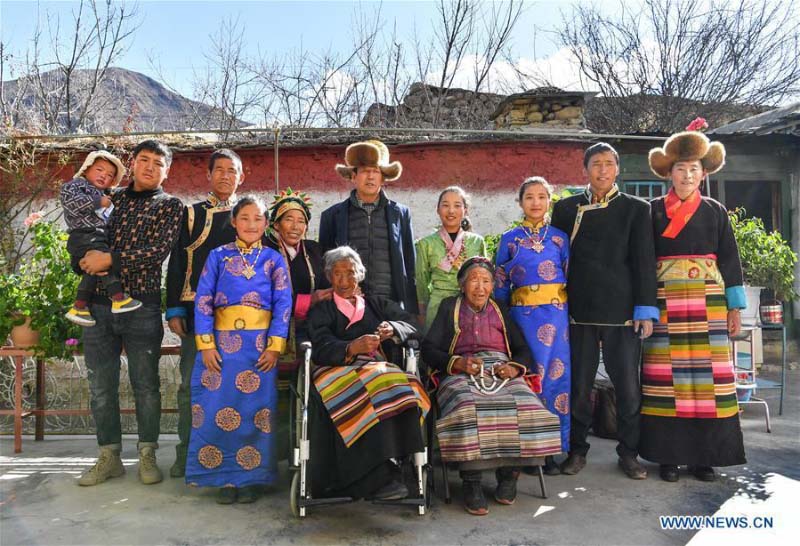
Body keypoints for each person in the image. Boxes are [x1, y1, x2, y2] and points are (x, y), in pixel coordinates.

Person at [640, 129, 746, 482]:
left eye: (694, 169)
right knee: (665, 382)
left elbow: (730, 260)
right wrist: (645, 309)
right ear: (669, 172)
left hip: (709, 305)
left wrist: (734, 308)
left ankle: (706, 458)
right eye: (681, 168)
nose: (687, 175)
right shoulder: (652, 211)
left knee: (708, 382)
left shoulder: (715, 211)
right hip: (665, 304)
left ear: (704, 173)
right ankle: (668, 458)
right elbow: (643, 262)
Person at [76, 140, 184, 487]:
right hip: (97, 304)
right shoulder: (111, 199)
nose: (150, 167)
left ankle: (147, 452)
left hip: (144, 306)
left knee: (146, 385)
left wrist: (109, 260)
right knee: (100, 385)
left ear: (167, 171)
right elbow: (84, 231)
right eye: (144, 160)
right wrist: (82, 257)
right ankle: (109, 455)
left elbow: (156, 252)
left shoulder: (170, 206)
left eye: (158, 163)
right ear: (133, 163)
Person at [551, 142, 658, 480]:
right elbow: (556, 262)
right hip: (578, 311)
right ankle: (577, 451)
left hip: (623, 311)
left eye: (608, 164)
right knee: (580, 387)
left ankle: (629, 453)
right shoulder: (567, 209)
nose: (602, 170)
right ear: (586, 169)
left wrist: (645, 309)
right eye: (596, 163)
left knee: (627, 386)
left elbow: (644, 262)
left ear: (617, 169)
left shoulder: (635, 209)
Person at [422, 257, 562, 516]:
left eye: (486, 281)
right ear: (462, 285)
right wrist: (458, 363)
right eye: (474, 280)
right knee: (468, 405)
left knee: (526, 404)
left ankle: (509, 475)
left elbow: (522, 350)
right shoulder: (448, 307)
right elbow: (429, 349)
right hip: (460, 371)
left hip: (500, 369)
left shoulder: (499, 309)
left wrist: (513, 367)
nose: (480, 287)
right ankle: (471, 481)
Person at [185, 195, 292, 504]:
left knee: (256, 413)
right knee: (217, 410)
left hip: (259, 351)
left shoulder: (274, 259)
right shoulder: (217, 256)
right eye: (244, 218)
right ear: (233, 222)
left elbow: (283, 305)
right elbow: (203, 301)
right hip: (221, 349)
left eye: (258, 218)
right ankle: (224, 480)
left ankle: (252, 479)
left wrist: (274, 347)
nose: (251, 224)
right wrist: (205, 345)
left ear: (267, 224)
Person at [306, 246, 430, 501]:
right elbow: (320, 345)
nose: (344, 280)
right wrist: (351, 347)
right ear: (329, 277)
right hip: (335, 369)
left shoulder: (375, 303)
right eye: (337, 274)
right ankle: (371, 477)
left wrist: (392, 327)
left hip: (374, 369)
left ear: (359, 275)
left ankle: (394, 464)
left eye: (350, 273)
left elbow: (412, 324)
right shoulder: (323, 308)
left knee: (404, 385)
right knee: (369, 387)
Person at [165, 148, 244, 479]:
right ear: (208, 175)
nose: (226, 175)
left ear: (242, 177)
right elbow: (178, 262)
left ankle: (229, 456)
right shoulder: (192, 214)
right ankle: (186, 453)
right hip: (199, 316)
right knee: (192, 385)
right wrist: (174, 308)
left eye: (232, 171)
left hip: (241, 319)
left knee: (234, 388)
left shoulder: (251, 215)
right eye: (220, 170)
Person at [494, 177, 571, 475]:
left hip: (558, 319)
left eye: (541, 196)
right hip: (522, 320)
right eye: (529, 197)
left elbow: (571, 279)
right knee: (527, 378)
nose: (536, 202)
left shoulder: (560, 239)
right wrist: (502, 320)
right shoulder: (509, 239)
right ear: (520, 201)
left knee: (556, 380)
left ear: (549, 200)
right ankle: (526, 449)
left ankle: (551, 450)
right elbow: (500, 285)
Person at [264, 188, 332, 457]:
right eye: (288, 219)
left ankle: (303, 449)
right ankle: (275, 452)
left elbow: (327, 287)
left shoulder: (315, 252)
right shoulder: (265, 251)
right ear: (276, 223)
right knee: (275, 392)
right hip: (273, 332)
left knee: (305, 388)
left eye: (301, 220)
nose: (296, 226)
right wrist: (310, 299)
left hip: (308, 332)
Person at [319, 139, 418, 313]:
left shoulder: (400, 214)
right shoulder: (332, 216)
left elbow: (410, 265)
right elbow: (326, 266)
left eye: (376, 171)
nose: (370, 177)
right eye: (365, 171)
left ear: (383, 177)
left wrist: (412, 308)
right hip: (348, 303)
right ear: (353, 176)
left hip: (390, 302)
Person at [61, 150, 141, 326]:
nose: (104, 176)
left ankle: (79, 307)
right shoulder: (74, 186)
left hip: (95, 235)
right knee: (104, 262)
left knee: (95, 268)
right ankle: (118, 298)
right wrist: (97, 202)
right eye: (99, 170)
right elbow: (72, 204)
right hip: (84, 234)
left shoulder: (105, 195)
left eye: (110, 175)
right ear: (86, 168)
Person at [415, 186, 487, 332]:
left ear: (465, 210)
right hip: (438, 307)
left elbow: (486, 278)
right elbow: (421, 281)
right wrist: (422, 311)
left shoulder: (477, 242)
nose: (451, 211)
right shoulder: (425, 243)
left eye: (457, 205)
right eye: (445, 205)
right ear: (438, 209)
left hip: (470, 305)